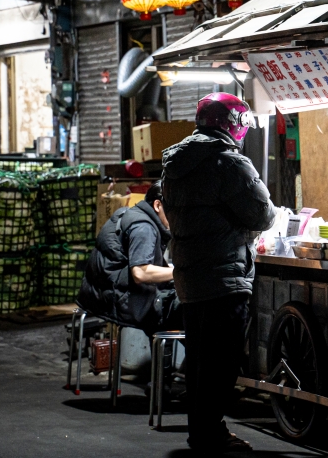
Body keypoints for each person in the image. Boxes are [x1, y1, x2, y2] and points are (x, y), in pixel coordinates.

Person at [162, 93, 275, 455]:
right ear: (234, 124)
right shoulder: (229, 163)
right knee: (222, 362)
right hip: (224, 274)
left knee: (199, 360)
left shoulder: (176, 162)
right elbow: (263, 215)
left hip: (189, 275)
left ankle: (203, 432)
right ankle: (211, 435)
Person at [77, 181, 181, 334]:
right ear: (158, 205)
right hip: (123, 305)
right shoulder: (144, 227)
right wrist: (183, 273)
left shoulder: (130, 213)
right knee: (195, 310)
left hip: (102, 298)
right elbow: (140, 272)